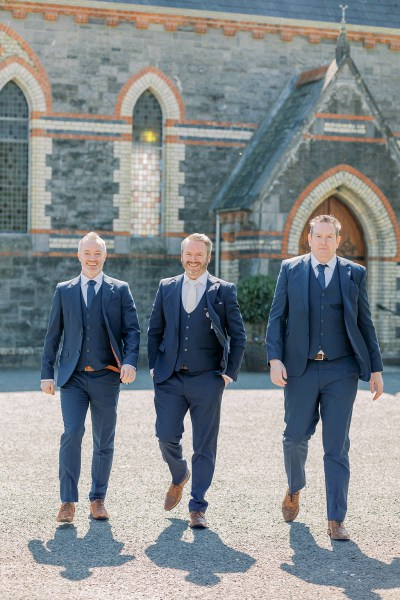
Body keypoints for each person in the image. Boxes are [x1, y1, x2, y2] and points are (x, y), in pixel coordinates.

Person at [266, 214, 383, 541]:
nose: (323, 242)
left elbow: (364, 322)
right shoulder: (290, 269)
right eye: (318, 236)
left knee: (337, 446)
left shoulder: (353, 273)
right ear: (309, 238)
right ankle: (294, 487)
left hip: (341, 370)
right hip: (300, 369)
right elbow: (277, 318)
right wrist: (275, 359)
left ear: (337, 240)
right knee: (294, 438)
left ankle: (336, 519)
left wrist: (375, 369)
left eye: (329, 237)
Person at [147, 233, 246, 529]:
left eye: (198, 255)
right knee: (165, 436)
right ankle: (179, 474)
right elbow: (154, 331)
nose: (193, 260)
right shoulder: (166, 287)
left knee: (204, 445)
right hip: (170, 377)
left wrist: (229, 373)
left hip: (208, 379)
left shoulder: (223, 291)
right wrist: (154, 367)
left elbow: (237, 335)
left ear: (207, 257)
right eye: (188, 255)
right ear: (181, 256)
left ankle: (197, 506)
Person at [41, 231, 140, 523]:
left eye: (98, 253)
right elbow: (53, 335)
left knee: (103, 440)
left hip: (106, 377)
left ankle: (97, 499)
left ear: (104, 256)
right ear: (79, 256)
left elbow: (132, 331)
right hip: (72, 378)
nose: (93, 259)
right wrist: (47, 373)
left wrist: (130, 362)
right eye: (88, 253)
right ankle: (67, 501)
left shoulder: (119, 290)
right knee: (71, 433)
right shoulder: (64, 290)